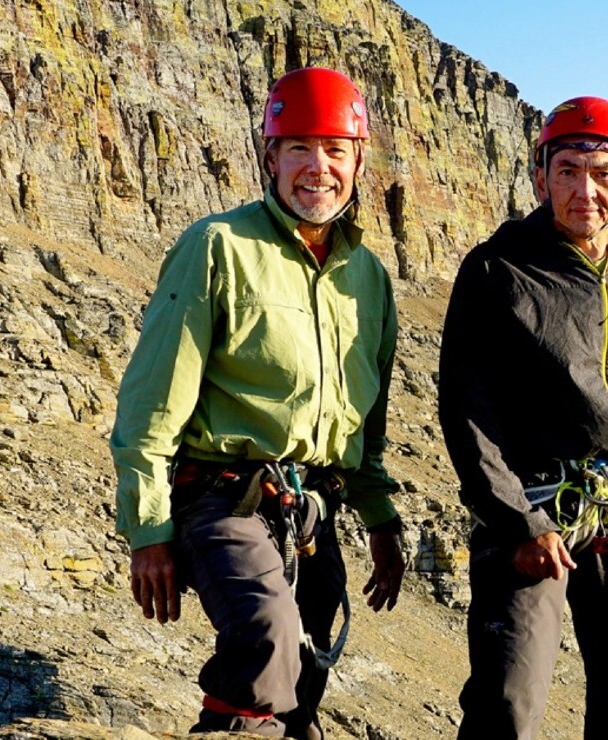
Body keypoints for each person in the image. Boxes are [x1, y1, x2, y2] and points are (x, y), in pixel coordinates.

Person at [109, 66, 405, 739]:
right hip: (220, 498)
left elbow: (367, 419)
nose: (317, 168)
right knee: (266, 635)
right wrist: (149, 531)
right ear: (269, 156)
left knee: (305, 665)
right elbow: (153, 399)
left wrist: (380, 519)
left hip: (312, 510)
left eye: (335, 150)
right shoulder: (217, 247)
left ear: (358, 162)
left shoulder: (370, 278)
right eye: (298, 147)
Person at [438, 95, 608, 739]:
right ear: (540, 177)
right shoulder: (496, 270)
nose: (584, 190)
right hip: (531, 516)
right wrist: (521, 524)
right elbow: (468, 417)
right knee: (507, 705)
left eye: (602, 172)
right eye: (567, 170)